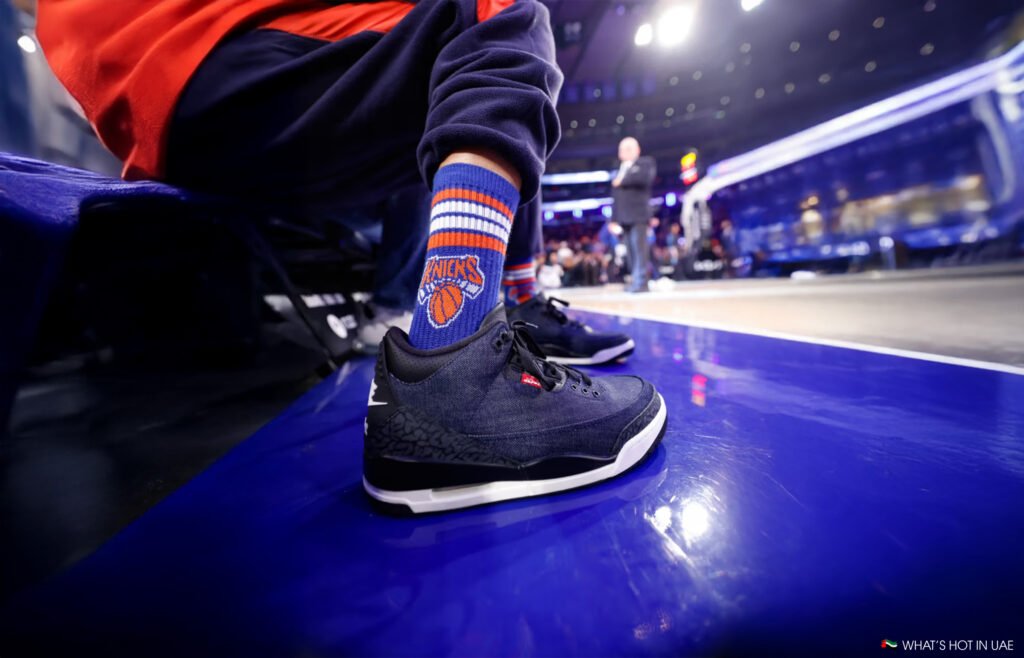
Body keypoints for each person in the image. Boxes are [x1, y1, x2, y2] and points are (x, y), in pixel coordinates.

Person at [36, 0, 666, 513]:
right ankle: (456, 368)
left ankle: (501, 317)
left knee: (454, 108)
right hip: (206, 50)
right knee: (500, 16)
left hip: (158, 111)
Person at [611, 137, 656, 293]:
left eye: (628, 148)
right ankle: (635, 280)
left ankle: (642, 282)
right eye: (622, 149)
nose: (624, 152)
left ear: (637, 150)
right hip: (624, 217)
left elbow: (644, 179)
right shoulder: (619, 169)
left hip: (639, 215)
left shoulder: (645, 163)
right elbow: (615, 197)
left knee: (640, 250)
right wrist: (613, 219)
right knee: (630, 252)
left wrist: (622, 181)